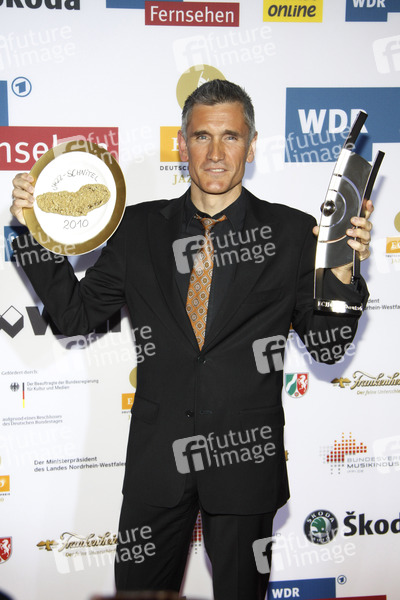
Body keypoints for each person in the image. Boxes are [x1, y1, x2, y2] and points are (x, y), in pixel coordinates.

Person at [10, 80, 372, 600]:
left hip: (246, 465)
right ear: (181, 144)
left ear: (251, 145)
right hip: (157, 465)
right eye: (202, 136)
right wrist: (31, 230)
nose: (216, 153)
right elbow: (74, 315)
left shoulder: (293, 234)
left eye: (231, 137)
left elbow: (330, 347)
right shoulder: (138, 228)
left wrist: (341, 272)